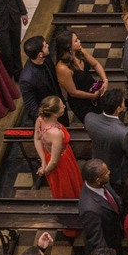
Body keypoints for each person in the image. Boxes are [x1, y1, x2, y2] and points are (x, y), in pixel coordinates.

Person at [35, 97, 83, 238]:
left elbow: (37, 140)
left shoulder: (40, 120)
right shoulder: (55, 133)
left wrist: (43, 162)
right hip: (63, 164)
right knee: (67, 190)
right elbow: (55, 161)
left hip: (51, 157)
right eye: (62, 106)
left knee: (62, 189)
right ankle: (73, 226)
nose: (64, 107)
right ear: (55, 113)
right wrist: (46, 170)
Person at [85, 89, 128, 193]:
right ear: (118, 109)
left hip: (97, 158)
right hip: (117, 171)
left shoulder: (89, 118)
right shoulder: (124, 133)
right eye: (123, 102)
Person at [54, 29, 107, 123]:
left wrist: (105, 79)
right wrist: (92, 96)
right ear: (68, 46)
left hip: (93, 88)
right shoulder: (62, 68)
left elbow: (95, 64)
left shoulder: (80, 51)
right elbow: (73, 92)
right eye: (76, 41)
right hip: (81, 100)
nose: (79, 41)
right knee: (94, 122)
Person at [77, 158, 122, 255]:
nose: (109, 173)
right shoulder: (90, 209)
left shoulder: (102, 183)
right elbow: (97, 242)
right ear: (98, 180)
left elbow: (116, 199)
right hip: (108, 248)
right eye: (106, 173)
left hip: (115, 237)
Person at [19, 35, 67, 126]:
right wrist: (47, 122)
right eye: (45, 46)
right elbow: (31, 106)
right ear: (40, 54)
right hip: (48, 115)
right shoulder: (27, 79)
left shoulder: (46, 57)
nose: (48, 45)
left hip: (58, 102)